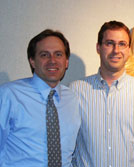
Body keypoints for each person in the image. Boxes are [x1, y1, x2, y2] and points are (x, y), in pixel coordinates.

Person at [70, 20, 134, 167]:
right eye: (109, 43)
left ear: (129, 49)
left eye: (122, 44)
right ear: (98, 47)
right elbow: (67, 146)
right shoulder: (76, 91)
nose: (116, 50)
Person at [0, 29, 81, 167]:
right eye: (44, 55)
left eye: (58, 54)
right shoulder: (9, 95)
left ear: (66, 62)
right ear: (32, 61)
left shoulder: (72, 98)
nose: (52, 61)